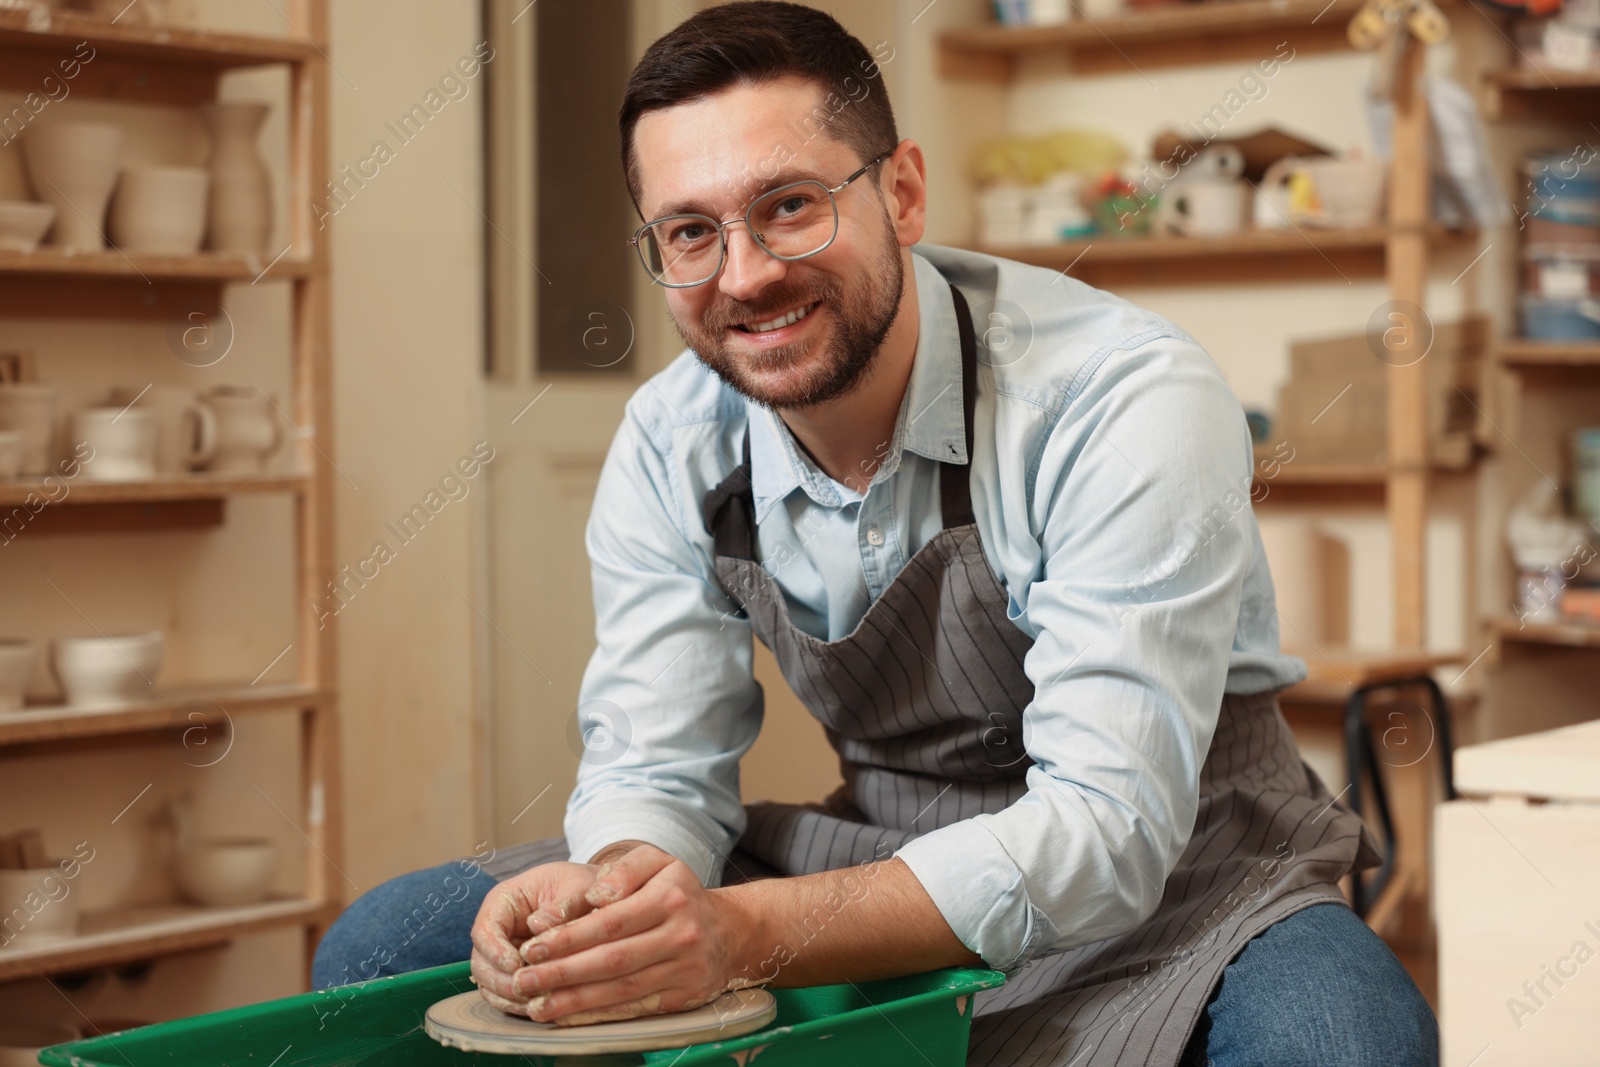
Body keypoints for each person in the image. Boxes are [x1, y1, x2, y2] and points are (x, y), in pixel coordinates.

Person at [313, 3, 1438, 1063]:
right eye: (689, 232)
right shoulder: (671, 438)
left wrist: (740, 932)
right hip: (883, 850)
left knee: (1341, 1038)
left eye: (790, 205)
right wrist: (623, 891)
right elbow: (659, 759)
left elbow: (1104, 834)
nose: (745, 274)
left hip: (1187, 864)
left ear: (901, 193)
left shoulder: (1115, 394)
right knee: (382, 945)